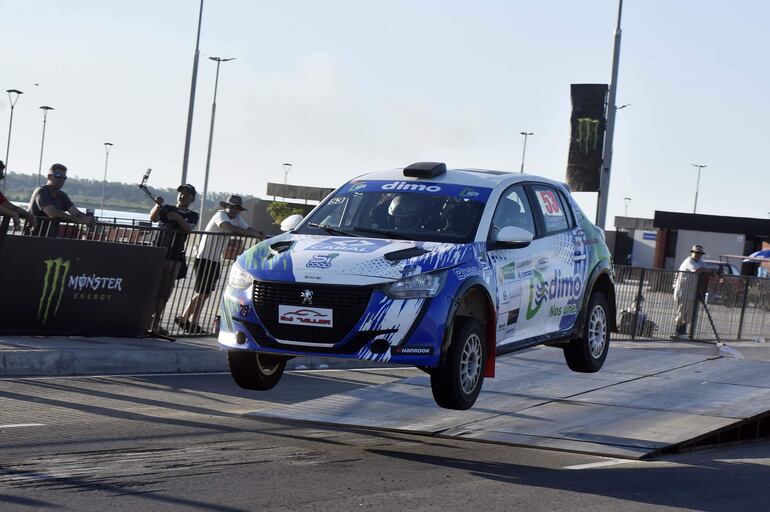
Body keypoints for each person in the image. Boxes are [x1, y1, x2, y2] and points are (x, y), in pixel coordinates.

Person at [176, 195, 261, 333]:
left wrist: (257, 233)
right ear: (225, 207)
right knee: (202, 292)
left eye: (237, 208)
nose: (234, 210)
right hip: (204, 257)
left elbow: (247, 228)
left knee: (206, 293)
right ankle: (184, 318)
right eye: (231, 207)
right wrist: (254, 234)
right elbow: (229, 228)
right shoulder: (220, 215)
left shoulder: (237, 218)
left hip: (215, 259)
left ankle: (193, 322)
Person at [149, 184, 199, 335]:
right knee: (151, 288)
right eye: (180, 193)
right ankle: (144, 320)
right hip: (158, 253)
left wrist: (178, 217)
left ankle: (156, 323)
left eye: (186, 194)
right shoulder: (167, 208)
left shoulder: (192, 215)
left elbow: (189, 229)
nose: (182, 196)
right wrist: (157, 206)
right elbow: (153, 218)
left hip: (175, 256)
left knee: (165, 292)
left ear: (192, 199)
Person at [28, 163, 94, 236]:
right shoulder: (41, 191)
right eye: (58, 176)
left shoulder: (62, 196)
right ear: (50, 177)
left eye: (64, 177)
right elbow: (51, 212)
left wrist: (88, 219)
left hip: (51, 238)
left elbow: (76, 213)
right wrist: (79, 220)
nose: (61, 180)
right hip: (33, 237)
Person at [671, 244, 709, 339]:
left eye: (699, 253)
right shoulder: (689, 261)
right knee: (681, 312)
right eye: (696, 252)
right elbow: (696, 270)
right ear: (692, 252)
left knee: (689, 314)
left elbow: (706, 268)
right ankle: (678, 332)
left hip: (691, 292)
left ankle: (683, 332)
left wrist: (713, 271)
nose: (697, 254)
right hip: (682, 292)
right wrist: (710, 270)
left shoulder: (699, 261)